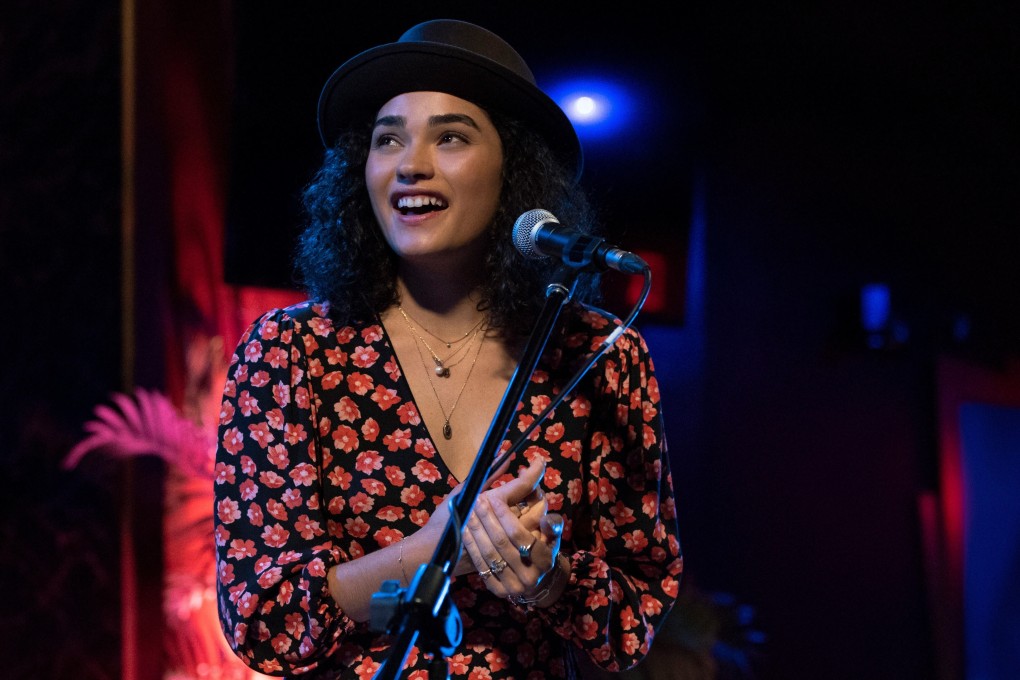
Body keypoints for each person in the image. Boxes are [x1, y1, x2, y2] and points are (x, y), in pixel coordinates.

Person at [213, 18, 683, 679]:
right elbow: (263, 621)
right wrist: (437, 550)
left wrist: (548, 583)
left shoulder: (600, 354)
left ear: (514, 172)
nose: (411, 164)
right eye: (388, 140)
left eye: (452, 137)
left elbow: (636, 613)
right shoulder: (293, 351)